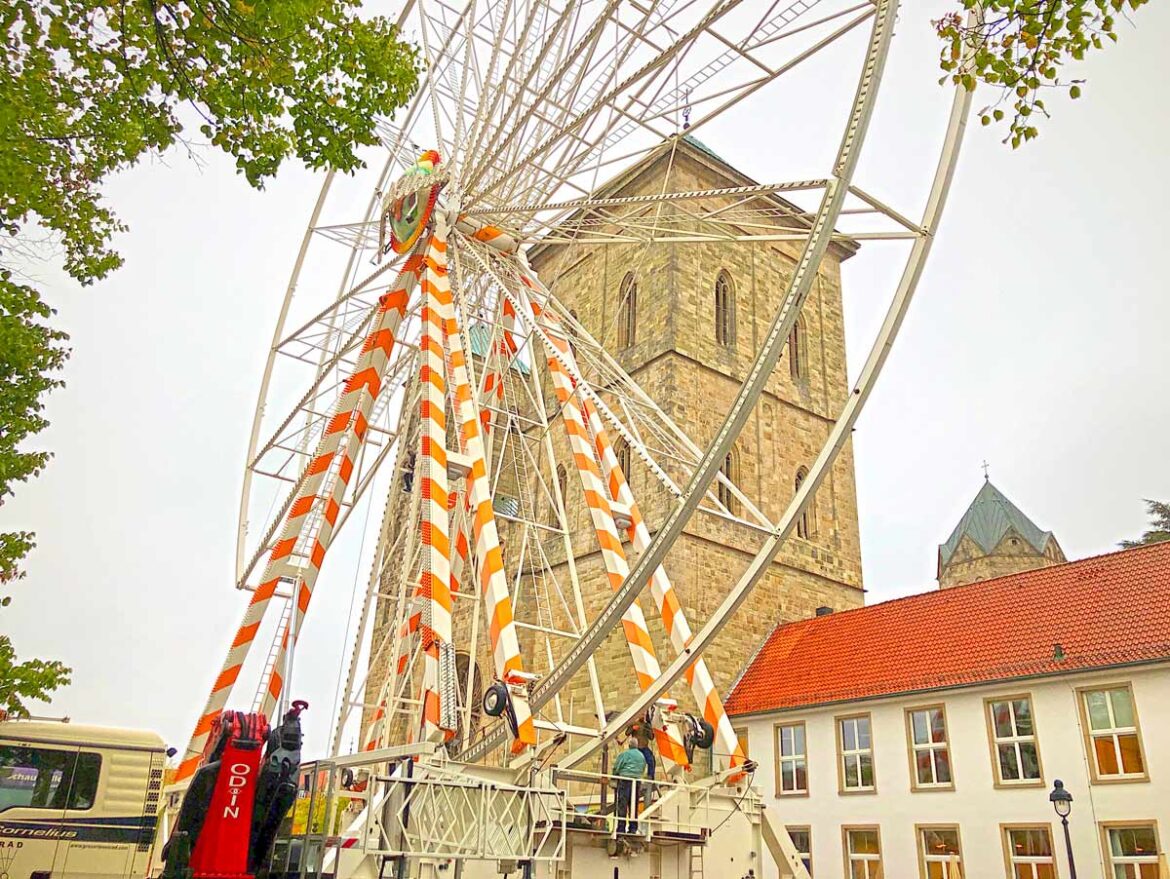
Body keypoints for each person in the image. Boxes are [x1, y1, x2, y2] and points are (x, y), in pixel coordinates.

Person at [612, 738, 646, 834]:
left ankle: (621, 828)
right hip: (637, 782)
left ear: (629, 745)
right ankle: (633, 828)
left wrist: (614, 776)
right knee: (633, 805)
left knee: (623, 804)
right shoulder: (641, 756)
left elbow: (617, 767)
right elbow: (643, 768)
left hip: (625, 780)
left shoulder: (625, 754)